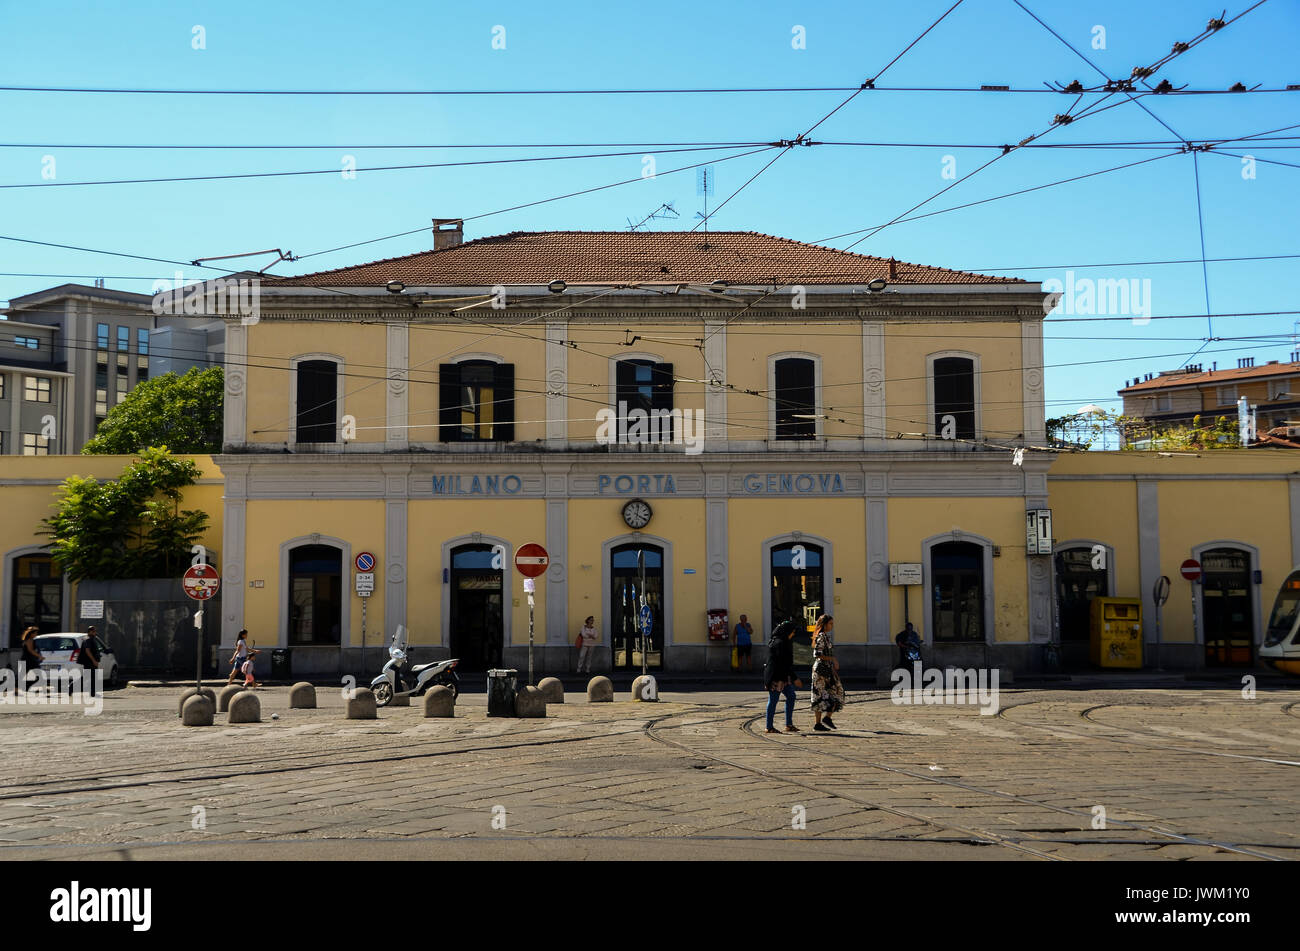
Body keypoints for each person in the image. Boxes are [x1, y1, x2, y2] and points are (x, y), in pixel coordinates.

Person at [763, 620, 802, 734]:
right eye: (792, 632)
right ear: (787, 631)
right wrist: (795, 678)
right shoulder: (779, 643)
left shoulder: (784, 641)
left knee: (791, 696)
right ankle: (769, 727)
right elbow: (782, 663)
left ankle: (788, 724)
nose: (793, 634)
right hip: (776, 676)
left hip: (784, 676)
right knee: (773, 700)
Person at [810, 614, 844, 731]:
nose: (832, 626)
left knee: (837, 691)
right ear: (824, 625)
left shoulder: (825, 636)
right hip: (820, 671)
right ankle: (818, 723)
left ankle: (827, 718)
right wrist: (833, 659)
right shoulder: (821, 637)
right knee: (819, 695)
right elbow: (817, 654)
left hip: (827, 670)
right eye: (830, 623)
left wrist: (833, 668)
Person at [79, 628, 102, 696]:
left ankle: (92, 693)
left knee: (91, 677)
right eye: (94, 631)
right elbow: (87, 651)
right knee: (90, 677)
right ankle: (71, 688)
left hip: (90, 661)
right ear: (90, 632)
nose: (95, 633)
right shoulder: (88, 639)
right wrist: (94, 660)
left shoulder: (91, 639)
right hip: (89, 662)